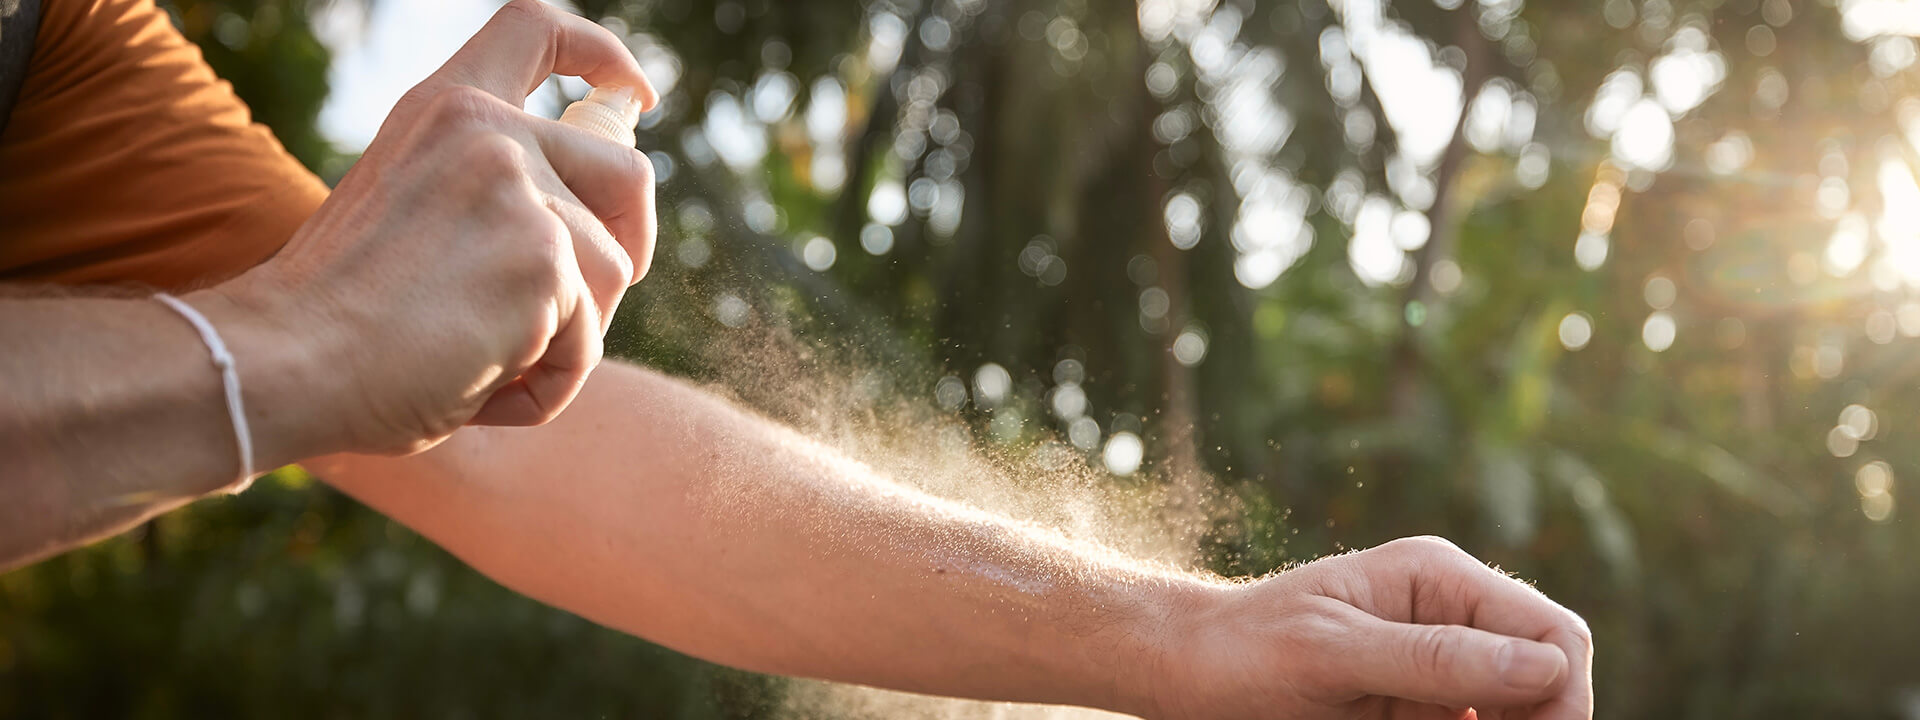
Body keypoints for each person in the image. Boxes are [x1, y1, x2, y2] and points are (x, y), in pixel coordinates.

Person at [0, 0, 1593, 717]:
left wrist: (1186, 636)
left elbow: (498, 434)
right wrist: (277, 347)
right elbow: (302, 349)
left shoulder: (64, 46)